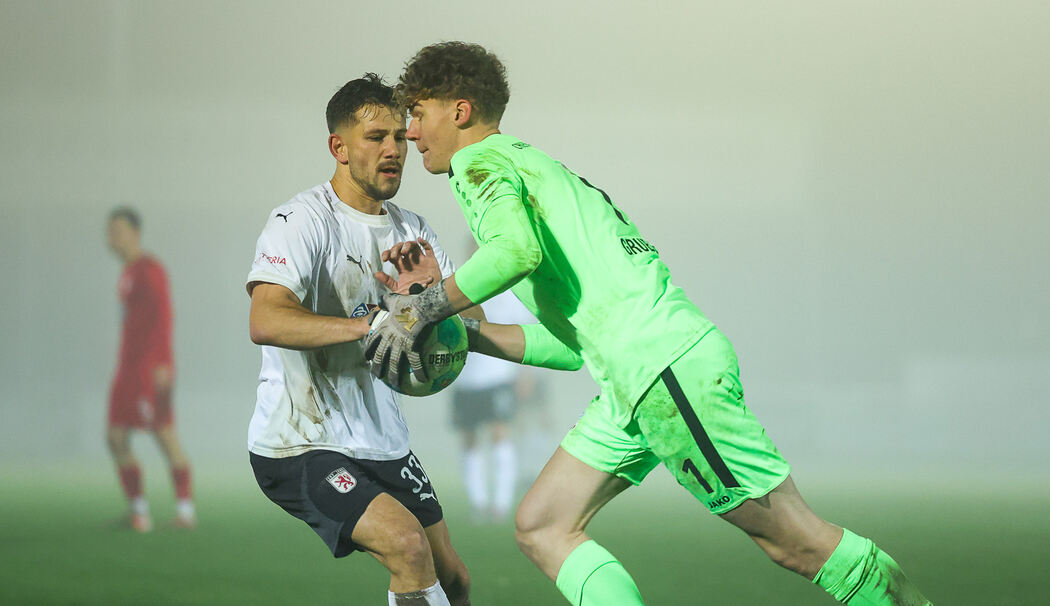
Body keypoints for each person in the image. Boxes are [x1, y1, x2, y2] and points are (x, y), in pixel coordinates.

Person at [365, 42, 933, 605]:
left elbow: (513, 254)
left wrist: (424, 306)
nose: (411, 133)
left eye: (417, 114)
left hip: (661, 369)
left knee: (797, 543)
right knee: (544, 525)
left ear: (459, 111)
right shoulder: (530, 165)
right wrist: (464, 331)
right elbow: (571, 350)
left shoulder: (478, 161)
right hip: (633, 378)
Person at [246, 73, 473, 606]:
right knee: (405, 546)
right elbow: (267, 319)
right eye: (376, 138)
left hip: (384, 442)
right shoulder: (300, 220)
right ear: (339, 147)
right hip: (302, 441)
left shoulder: (413, 230)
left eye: (400, 135)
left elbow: (468, 324)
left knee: (455, 580)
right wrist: (372, 325)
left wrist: (429, 295)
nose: (394, 149)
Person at [106, 207, 195, 532]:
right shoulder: (127, 273)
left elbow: (163, 317)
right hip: (128, 369)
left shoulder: (150, 269)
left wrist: (161, 363)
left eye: (118, 230)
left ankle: (185, 513)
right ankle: (139, 513)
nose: (111, 237)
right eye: (110, 230)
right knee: (115, 436)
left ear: (135, 232)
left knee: (164, 434)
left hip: (149, 369)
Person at [450, 286, 536, 523]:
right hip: (464, 377)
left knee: (500, 434)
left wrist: (525, 373)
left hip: (499, 376)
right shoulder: (459, 287)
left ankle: (501, 504)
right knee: (469, 439)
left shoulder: (508, 290)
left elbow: (525, 331)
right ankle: (478, 503)